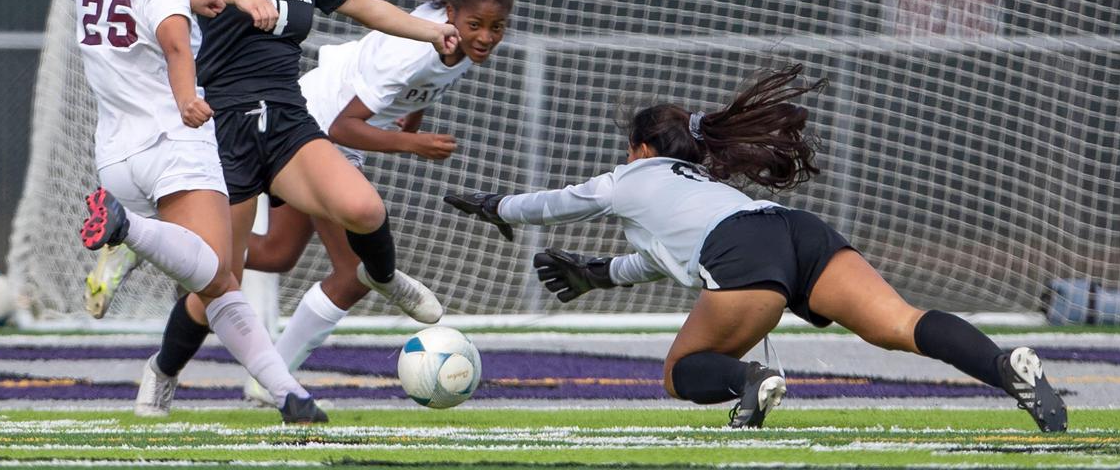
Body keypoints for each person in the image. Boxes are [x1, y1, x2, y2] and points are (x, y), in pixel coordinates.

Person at [444, 64, 1068, 432]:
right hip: (797, 231)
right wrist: (597, 275)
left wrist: (498, 207)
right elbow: (662, 260)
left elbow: (560, 202)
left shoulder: (632, 177)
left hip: (745, 255)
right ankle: (1005, 368)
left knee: (679, 373)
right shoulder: (704, 187)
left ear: (640, 148)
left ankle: (751, 381)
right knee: (900, 323)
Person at [133, 0, 461, 415]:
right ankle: (164, 370)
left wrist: (433, 34)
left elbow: (368, 6)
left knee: (363, 208)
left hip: (287, 121)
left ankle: (382, 276)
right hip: (222, 128)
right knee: (217, 284)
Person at [69, 0, 325, 423]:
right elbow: (176, 45)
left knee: (214, 286)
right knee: (214, 269)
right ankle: (129, 234)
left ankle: (291, 398)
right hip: (174, 146)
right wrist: (188, 96)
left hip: (116, 160)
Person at [239, 0, 513, 401]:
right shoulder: (413, 49)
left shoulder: (461, 44)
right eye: (476, 25)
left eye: (497, 27)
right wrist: (413, 142)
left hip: (312, 115)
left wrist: (411, 125)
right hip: (316, 126)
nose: (486, 36)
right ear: (449, 12)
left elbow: (417, 93)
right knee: (355, 272)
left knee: (275, 254)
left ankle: (162, 237)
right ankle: (272, 382)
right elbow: (347, 126)